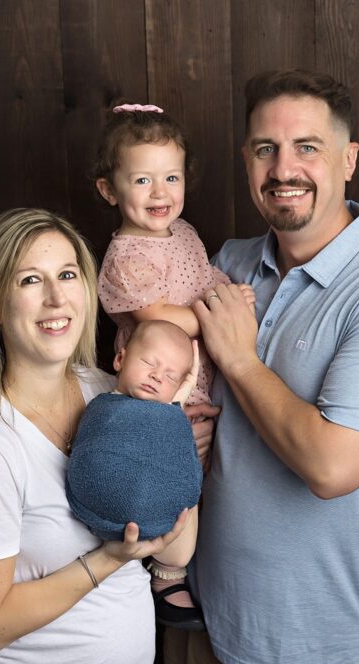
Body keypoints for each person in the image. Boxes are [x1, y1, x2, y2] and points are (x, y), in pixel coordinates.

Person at [165, 69, 359, 664]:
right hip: (205, 629)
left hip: (323, 655)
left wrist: (240, 359)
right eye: (266, 148)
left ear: (349, 159)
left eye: (307, 148)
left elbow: (331, 467)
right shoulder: (227, 262)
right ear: (246, 160)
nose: (283, 169)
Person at [0, 208, 203, 664]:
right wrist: (108, 559)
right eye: (30, 280)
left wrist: (171, 429)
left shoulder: (113, 393)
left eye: (67, 274)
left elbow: (175, 555)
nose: (57, 298)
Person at [92, 103, 255, 624]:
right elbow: (155, 312)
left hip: (195, 379)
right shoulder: (125, 253)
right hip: (158, 380)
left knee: (196, 473)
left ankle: (182, 562)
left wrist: (231, 293)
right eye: (142, 179)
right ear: (110, 190)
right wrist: (214, 315)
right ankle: (165, 576)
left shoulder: (183, 233)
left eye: (171, 177)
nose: (160, 193)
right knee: (158, 470)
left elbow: (203, 275)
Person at [67, 321, 202, 549]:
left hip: (159, 524)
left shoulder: (172, 418)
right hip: (91, 508)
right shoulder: (101, 406)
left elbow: (183, 464)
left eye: (171, 377)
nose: (157, 376)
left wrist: (174, 408)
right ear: (119, 359)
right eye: (149, 363)